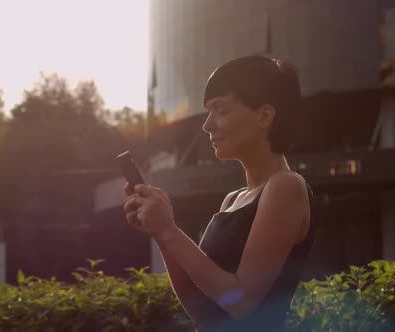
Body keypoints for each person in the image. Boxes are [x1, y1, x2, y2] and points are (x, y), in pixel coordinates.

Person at [123, 55, 316, 331]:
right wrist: (160, 232)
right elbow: (201, 309)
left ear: (264, 116)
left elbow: (242, 302)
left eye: (221, 110)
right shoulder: (233, 199)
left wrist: (169, 230)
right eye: (208, 111)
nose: (207, 124)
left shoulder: (285, 187)